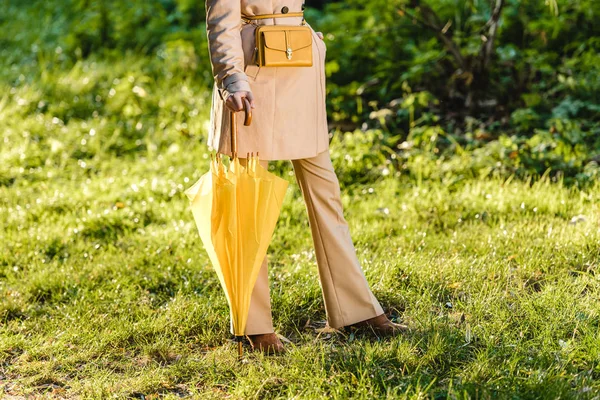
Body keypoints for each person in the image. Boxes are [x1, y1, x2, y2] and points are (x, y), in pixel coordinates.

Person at [204, 0, 407, 354]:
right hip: (250, 78)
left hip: (298, 67)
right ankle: (253, 328)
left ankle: (354, 311)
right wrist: (230, 77)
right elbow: (220, 22)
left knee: (326, 192)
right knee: (246, 203)